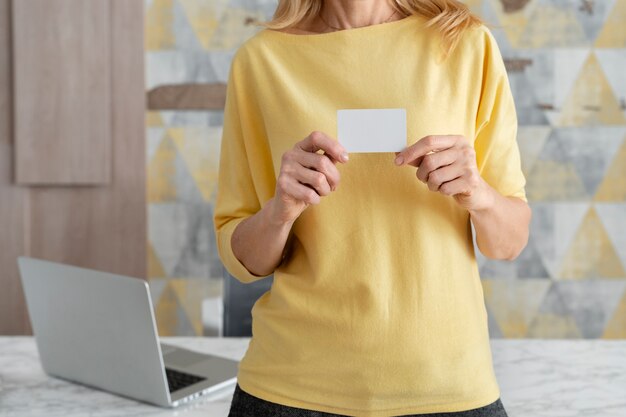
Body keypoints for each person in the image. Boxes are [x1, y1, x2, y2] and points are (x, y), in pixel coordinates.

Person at [213, 0, 531, 416]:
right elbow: (242, 259)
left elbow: (510, 243)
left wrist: (478, 193)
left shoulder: (467, 45)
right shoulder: (260, 62)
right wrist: (280, 210)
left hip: (447, 386)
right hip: (290, 389)